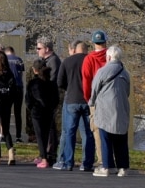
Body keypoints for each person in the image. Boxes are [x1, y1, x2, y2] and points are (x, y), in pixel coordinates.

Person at [90, 46, 131, 177]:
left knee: (105, 138)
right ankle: (123, 167)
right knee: (121, 139)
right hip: (121, 108)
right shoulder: (125, 73)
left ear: (108, 57)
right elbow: (128, 91)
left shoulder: (102, 71)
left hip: (105, 108)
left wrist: (92, 102)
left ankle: (107, 166)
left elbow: (94, 89)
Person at [55, 41, 94, 172]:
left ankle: (68, 162)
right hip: (87, 100)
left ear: (75, 49)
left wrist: (70, 88)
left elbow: (59, 81)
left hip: (71, 99)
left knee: (70, 132)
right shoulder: (91, 60)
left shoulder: (67, 61)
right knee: (87, 133)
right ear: (86, 50)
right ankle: (86, 163)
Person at [81, 31, 109, 161]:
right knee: (113, 129)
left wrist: (88, 99)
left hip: (96, 98)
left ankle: (102, 160)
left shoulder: (89, 59)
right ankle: (112, 158)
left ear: (93, 43)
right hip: (112, 98)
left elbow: (86, 80)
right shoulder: (112, 57)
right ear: (105, 42)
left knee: (97, 130)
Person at [27, 59, 59, 168]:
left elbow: (28, 100)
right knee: (46, 134)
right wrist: (52, 108)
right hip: (49, 111)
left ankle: (44, 158)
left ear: (34, 70)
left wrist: (31, 109)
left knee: (40, 135)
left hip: (37, 112)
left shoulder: (33, 83)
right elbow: (56, 99)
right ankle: (45, 156)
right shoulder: (51, 83)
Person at [4, 46, 26, 142]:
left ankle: (6, 134)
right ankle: (18, 136)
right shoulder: (19, 60)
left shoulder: (4, 60)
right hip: (19, 87)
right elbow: (21, 73)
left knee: (7, 112)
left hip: (8, 87)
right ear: (13, 52)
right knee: (18, 112)